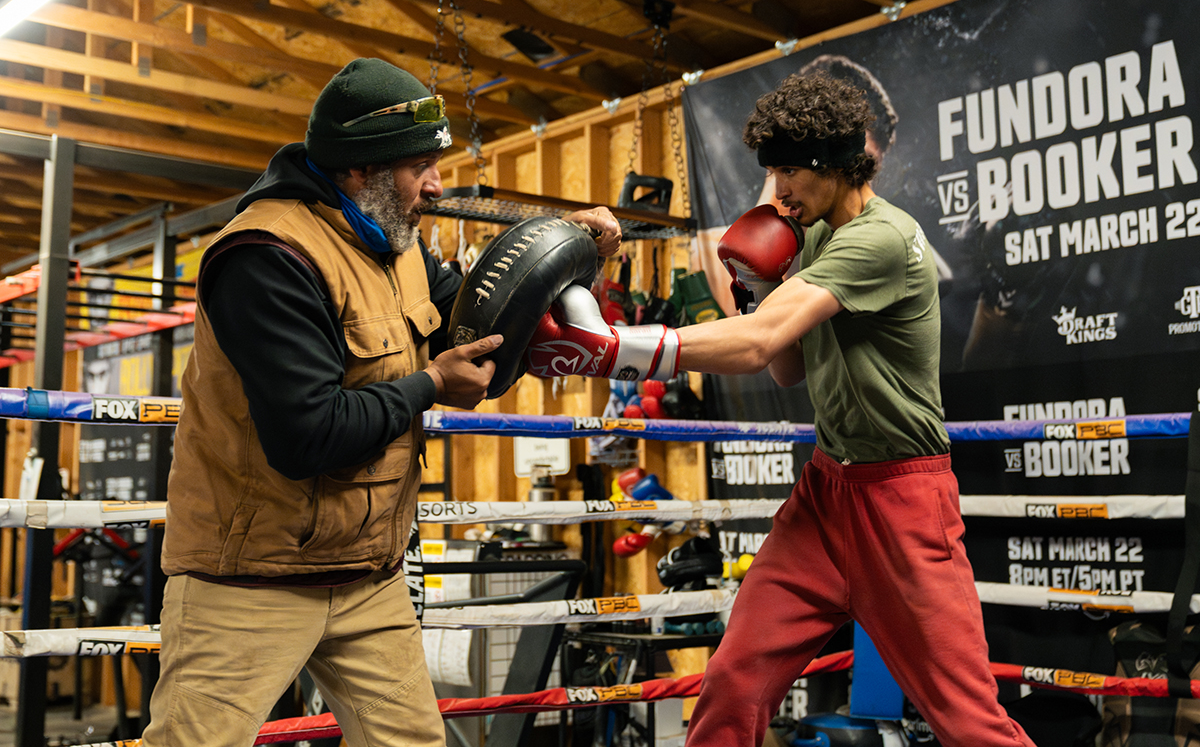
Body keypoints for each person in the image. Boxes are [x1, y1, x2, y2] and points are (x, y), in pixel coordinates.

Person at [524, 70, 1035, 747]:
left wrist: (614, 348)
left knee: (968, 721)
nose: (779, 191)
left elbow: (759, 343)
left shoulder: (883, 239)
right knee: (735, 680)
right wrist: (765, 283)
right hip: (827, 495)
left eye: (789, 171)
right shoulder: (818, 236)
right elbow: (787, 363)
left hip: (903, 502)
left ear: (834, 165)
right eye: (773, 173)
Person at [141, 57, 620, 747]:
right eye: (419, 165)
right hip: (250, 580)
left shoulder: (399, 247)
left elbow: (479, 332)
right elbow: (307, 434)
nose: (437, 183)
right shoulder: (266, 255)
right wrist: (431, 385)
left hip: (367, 574)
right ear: (358, 169)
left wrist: (568, 246)